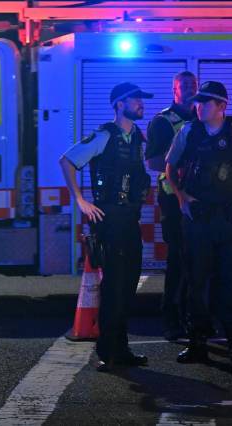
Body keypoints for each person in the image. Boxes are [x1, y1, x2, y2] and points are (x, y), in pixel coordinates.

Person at [165, 81, 232, 365]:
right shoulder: (189, 130)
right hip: (198, 218)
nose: (198, 106)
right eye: (197, 102)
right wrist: (181, 196)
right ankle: (197, 342)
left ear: (222, 106)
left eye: (205, 102)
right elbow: (170, 166)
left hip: (229, 217)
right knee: (196, 280)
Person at [59, 82, 153, 372]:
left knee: (127, 286)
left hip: (129, 219)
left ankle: (121, 349)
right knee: (113, 287)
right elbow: (67, 161)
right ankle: (108, 352)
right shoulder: (103, 136)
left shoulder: (138, 136)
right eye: (135, 100)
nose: (141, 103)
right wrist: (80, 200)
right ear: (119, 104)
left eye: (141, 99)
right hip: (109, 219)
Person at [145, 71, 198, 341]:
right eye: (184, 85)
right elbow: (153, 163)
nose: (189, 89)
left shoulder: (203, 119)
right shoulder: (163, 122)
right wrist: (179, 161)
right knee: (177, 260)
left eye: (193, 85)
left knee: (199, 262)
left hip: (201, 201)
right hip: (173, 200)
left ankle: (196, 319)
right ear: (174, 90)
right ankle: (172, 320)